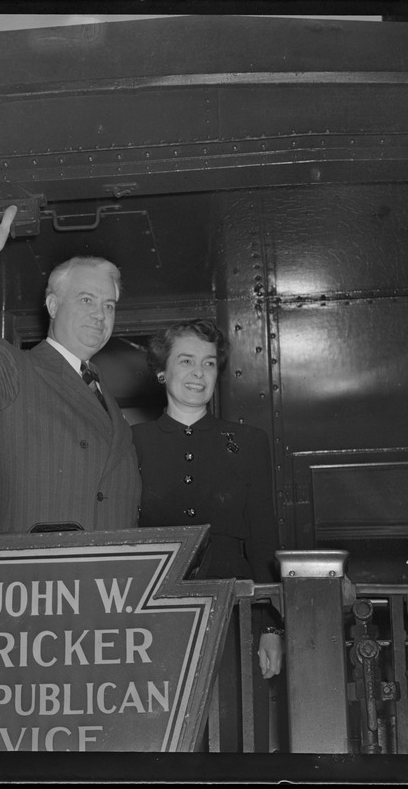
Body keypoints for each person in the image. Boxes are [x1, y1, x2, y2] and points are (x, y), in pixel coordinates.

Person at [0, 169, 141, 534]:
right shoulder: (15, 369)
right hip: (39, 581)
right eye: (87, 300)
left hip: (111, 582)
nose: (99, 314)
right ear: (53, 305)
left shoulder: (104, 394)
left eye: (108, 306)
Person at [132, 318, 284, 752]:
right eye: (186, 361)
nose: (198, 373)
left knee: (235, 734)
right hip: (155, 612)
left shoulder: (248, 442)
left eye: (209, 363)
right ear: (163, 371)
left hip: (236, 606)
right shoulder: (129, 443)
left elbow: (263, 536)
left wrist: (271, 626)